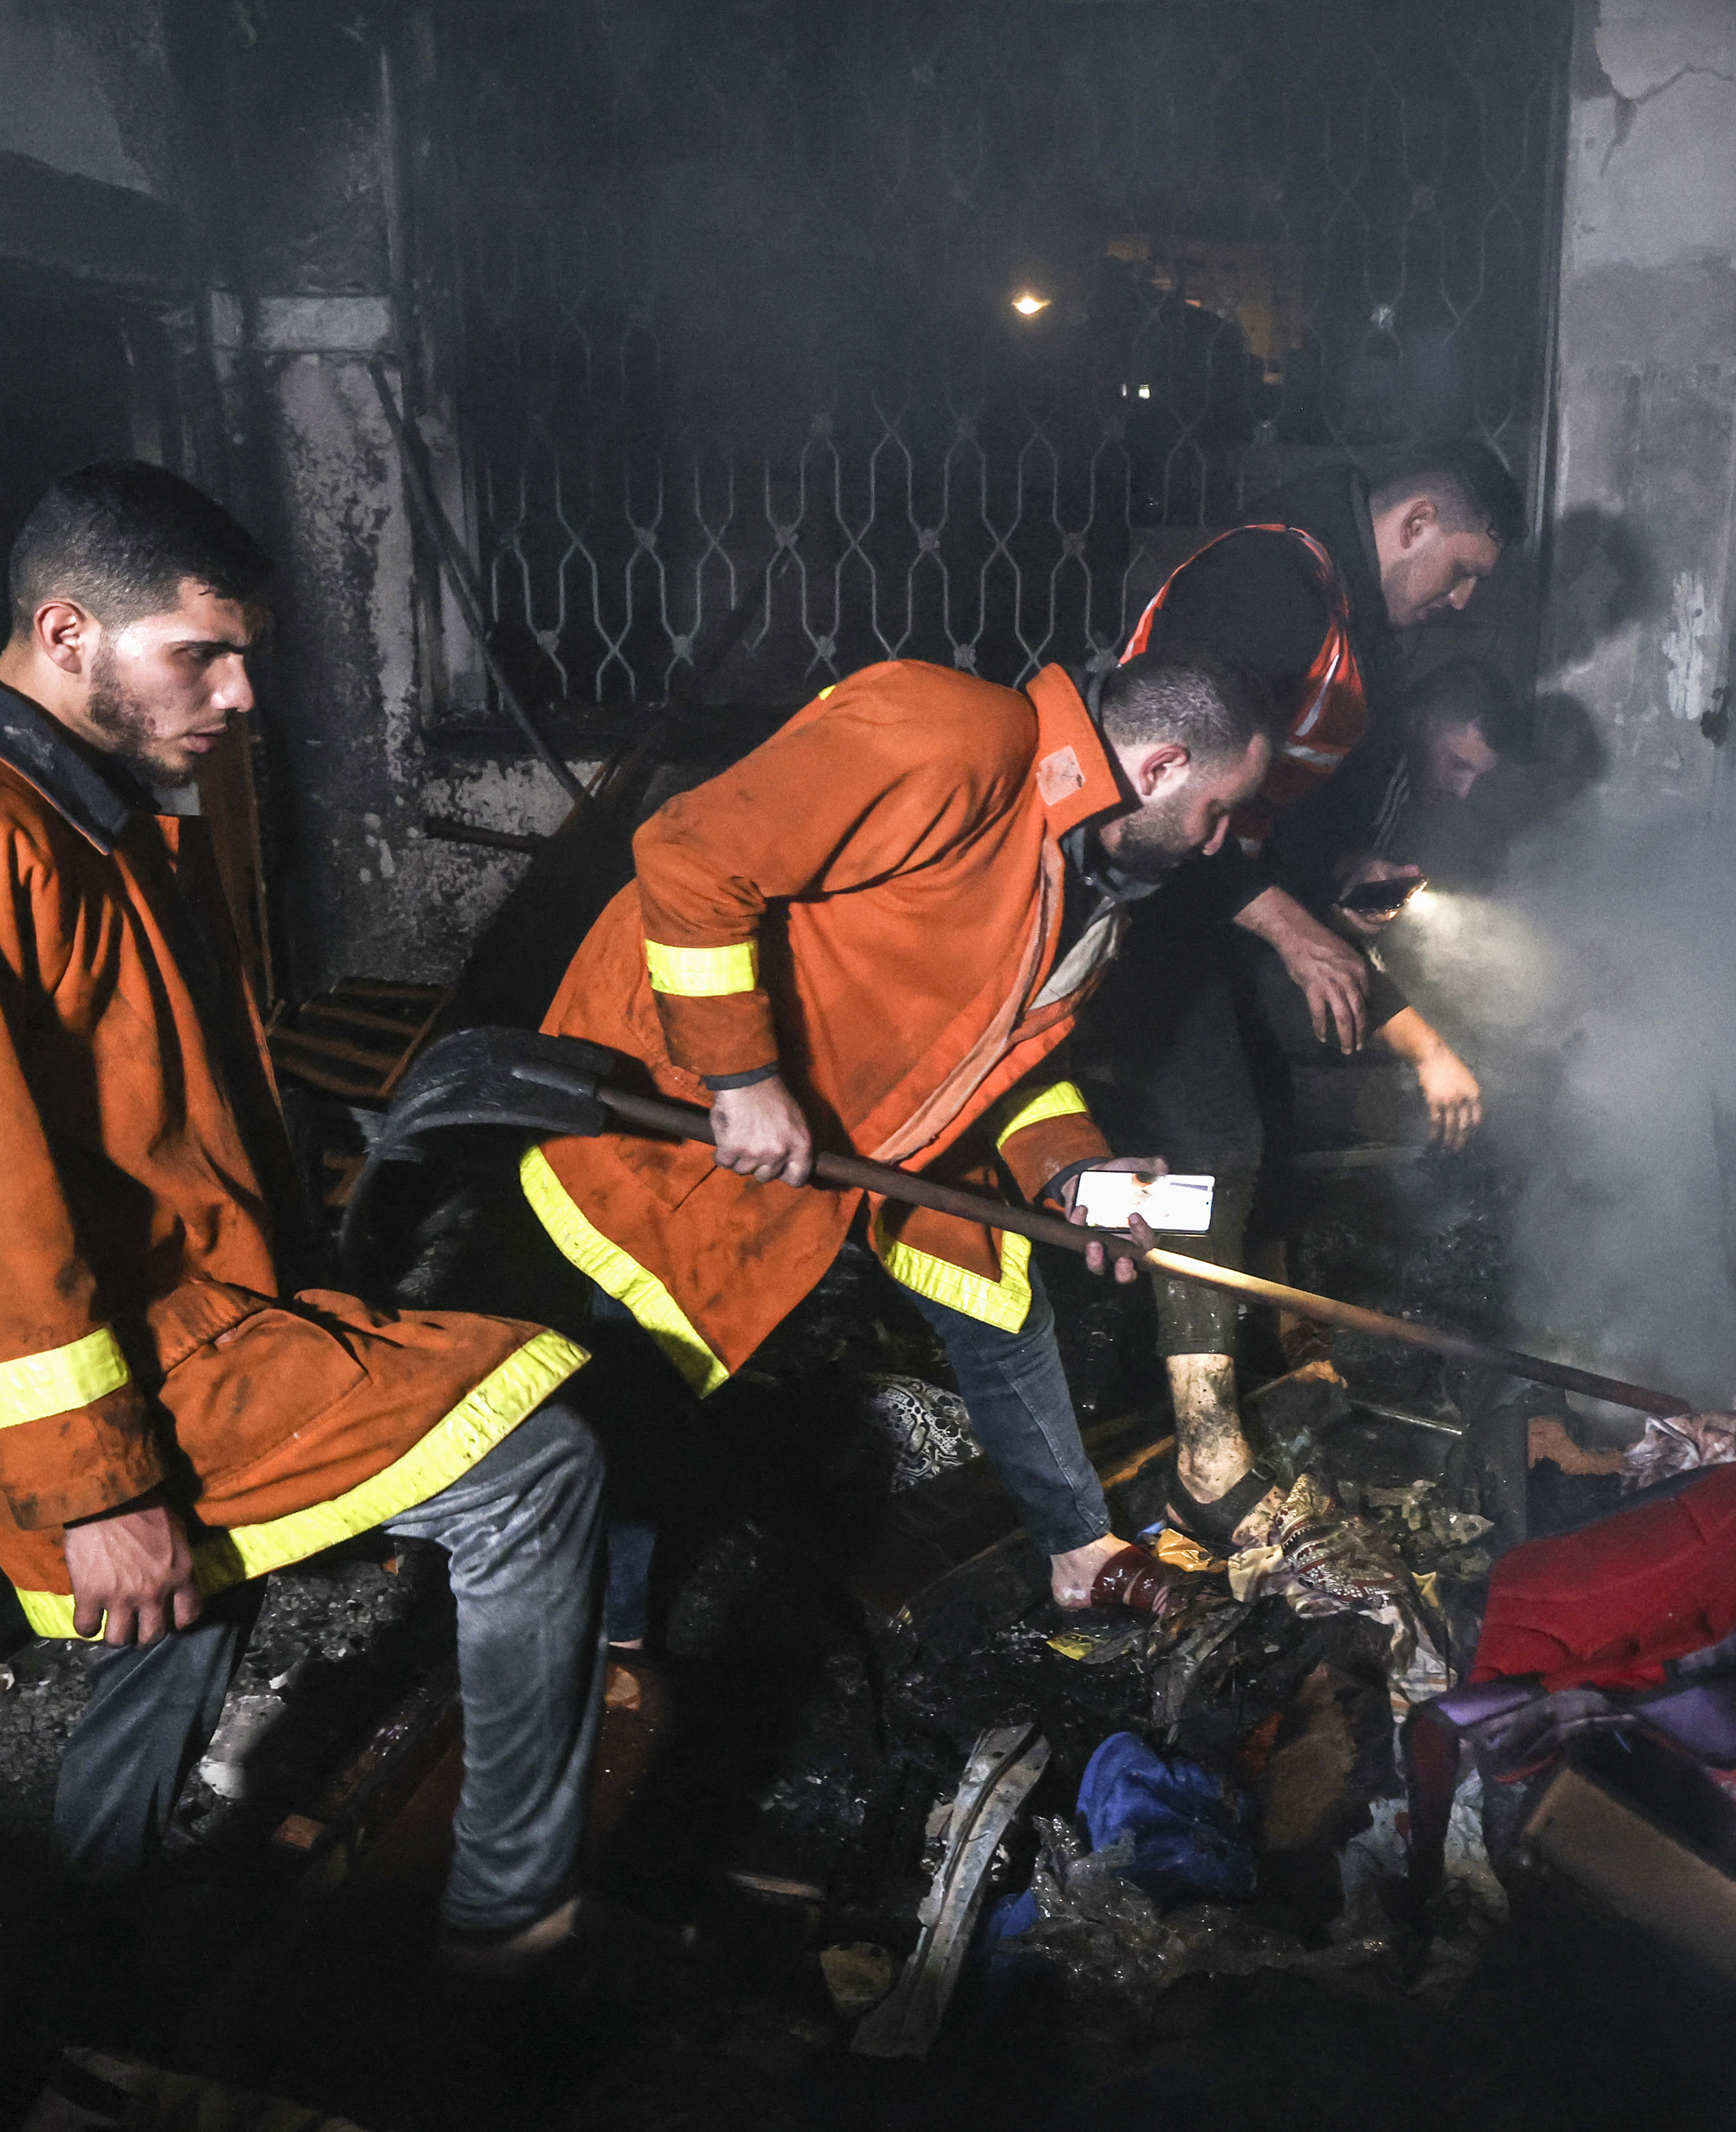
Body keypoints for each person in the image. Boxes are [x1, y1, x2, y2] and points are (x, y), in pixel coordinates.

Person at [0, 461, 629, 1982]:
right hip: (128, 1361)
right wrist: (98, 1488)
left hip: (189, 1322)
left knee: (188, 1597)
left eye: (245, 657)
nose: (240, 695)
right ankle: (508, 1935)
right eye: (203, 654)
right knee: (536, 1468)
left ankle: (79, 1946)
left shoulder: (61, 810)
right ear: (65, 631)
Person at [517, 650, 1274, 1620]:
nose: (1218, 843)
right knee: (649, 1352)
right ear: (1163, 765)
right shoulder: (949, 733)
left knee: (1002, 1313)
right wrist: (742, 1076)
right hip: (691, 1096)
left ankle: (1078, 1551)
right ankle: (607, 1638)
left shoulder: (1094, 896)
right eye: (1219, 810)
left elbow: (1004, 1063)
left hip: (883, 1128)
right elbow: (690, 854)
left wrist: (1074, 1173)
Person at [1077, 437, 1523, 1551]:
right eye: (1462, 570)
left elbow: (1271, 832)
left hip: (1198, 916)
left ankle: (1251, 1353)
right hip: (1130, 910)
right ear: (1415, 523)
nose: (1461, 601)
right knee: (1211, 1148)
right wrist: (1290, 926)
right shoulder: (1270, 582)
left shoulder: (1343, 618)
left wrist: (1333, 882)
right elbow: (1179, 799)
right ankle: (1202, 1459)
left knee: (1262, 1125)